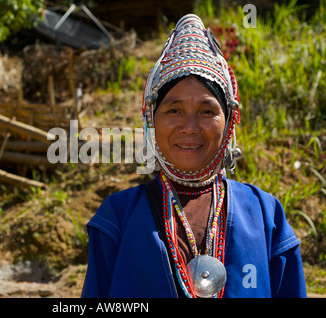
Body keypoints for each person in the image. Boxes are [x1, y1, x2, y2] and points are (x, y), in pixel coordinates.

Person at [81, 14, 306, 298]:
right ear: (151, 120)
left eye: (207, 111)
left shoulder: (266, 217)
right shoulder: (117, 219)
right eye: (173, 110)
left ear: (229, 122)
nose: (190, 127)